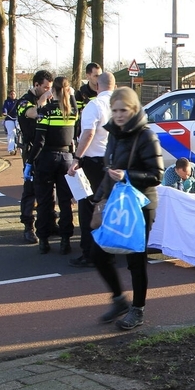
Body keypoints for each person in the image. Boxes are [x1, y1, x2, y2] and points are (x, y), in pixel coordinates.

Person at [91, 86, 164, 330]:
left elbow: (157, 175)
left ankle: (138, 310)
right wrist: (97, 198)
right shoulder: (114, 133)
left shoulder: (146, 135)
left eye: (123, 110)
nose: (119, 115)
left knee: (135, 259)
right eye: (114, 110)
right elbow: (109, 171)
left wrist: (128, 175)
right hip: (116, 202)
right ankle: (119, 300)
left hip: (141, 204)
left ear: (133, 109)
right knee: (98, 253)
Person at [67, 71, 114, 267]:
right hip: (116, 162)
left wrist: (77, 158)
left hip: (94, 162)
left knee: (89, 208)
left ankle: (90, 253)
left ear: (97, 86)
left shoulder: (94, 105)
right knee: (110, 207)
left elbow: (88, 133)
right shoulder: (125, 105)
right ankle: (110, 250)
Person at [27, 76, 77, 255]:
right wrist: (70, 95)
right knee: (65, 202)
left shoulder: (46, 111)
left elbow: (39, 141)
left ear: (52, 91)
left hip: (47, 158)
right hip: (67, 158)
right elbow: (74, 106)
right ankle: (65, 241)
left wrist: (29, 162)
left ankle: (44, 240)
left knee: (44, 201)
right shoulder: (72, 112)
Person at [16, 71, 53, 244]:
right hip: (31, 150)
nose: (48, 90)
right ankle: (28, 227)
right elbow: (31, 113)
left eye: (50, 88)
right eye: (45, 87)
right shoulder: (24, 101)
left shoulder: (49, 99)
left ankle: (49, 222)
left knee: (48, 188)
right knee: (30, 189)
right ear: (36, 85)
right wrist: (42, 101)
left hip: (47, 149)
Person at [74, 62, 102, 140]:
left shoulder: (104, 92)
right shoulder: (81, 94)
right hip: (86, 133)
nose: (99, 78)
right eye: (96, 76)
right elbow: (76, 115)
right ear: (88, 76)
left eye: (100, 76)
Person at [1, 90, 18, 155]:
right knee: (11, 133)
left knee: (19, 131)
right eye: (11, 94)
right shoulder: (7, 102)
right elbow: (4, 108)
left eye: (14, 94)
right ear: (9, 95)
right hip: (9, 118)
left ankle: (20, 145)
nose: (13, 95)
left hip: (17, 118)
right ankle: (11, 149)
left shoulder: (18, 101)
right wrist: (5, 112)